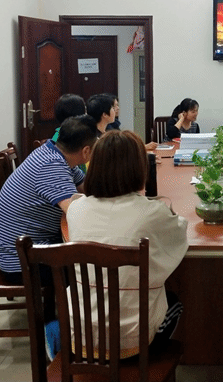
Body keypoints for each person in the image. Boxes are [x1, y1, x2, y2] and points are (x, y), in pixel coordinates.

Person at [66, 130, 188, 355]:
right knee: (174, 302)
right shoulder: (152, 212)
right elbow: (179, 236)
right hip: (133, 343)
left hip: (80, 336)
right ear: (140, 168)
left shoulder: (76, 209)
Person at [0, 115, 99, 281]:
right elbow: (76, 213)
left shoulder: (55, 152)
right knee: (93, 264)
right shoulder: (51, 165)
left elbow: (87, 188)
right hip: (22, 261)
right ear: (86, 151)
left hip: (29, 247)